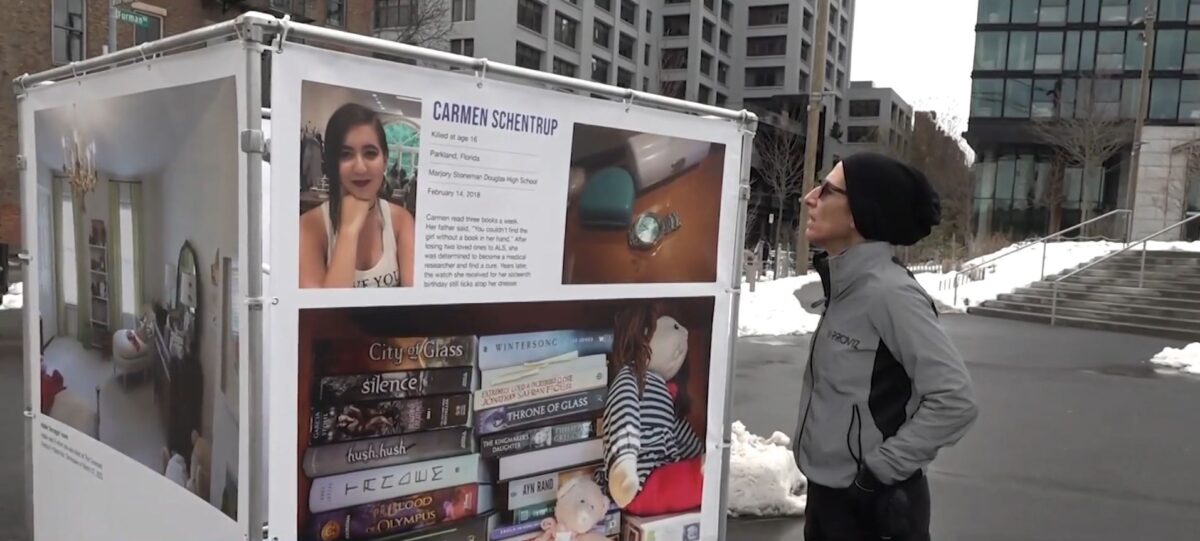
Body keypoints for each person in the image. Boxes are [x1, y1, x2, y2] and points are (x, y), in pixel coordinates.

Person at [793, 152, 979, 541]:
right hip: (829, 497)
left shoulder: (890, 294)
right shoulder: (846, 285)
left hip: (875, 508)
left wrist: (878, 473)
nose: (809, 198)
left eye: (827, 190)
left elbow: (955, 400)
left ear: (860, 213)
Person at [300, 103, 415, 289]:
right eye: (346, 155)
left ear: (385, 160)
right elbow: (325, 315)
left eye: (370, 153)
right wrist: (349, 230)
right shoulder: (309, 227)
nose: (360, 168)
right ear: (331, 162)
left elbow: (417, 307)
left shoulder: (401, 221)